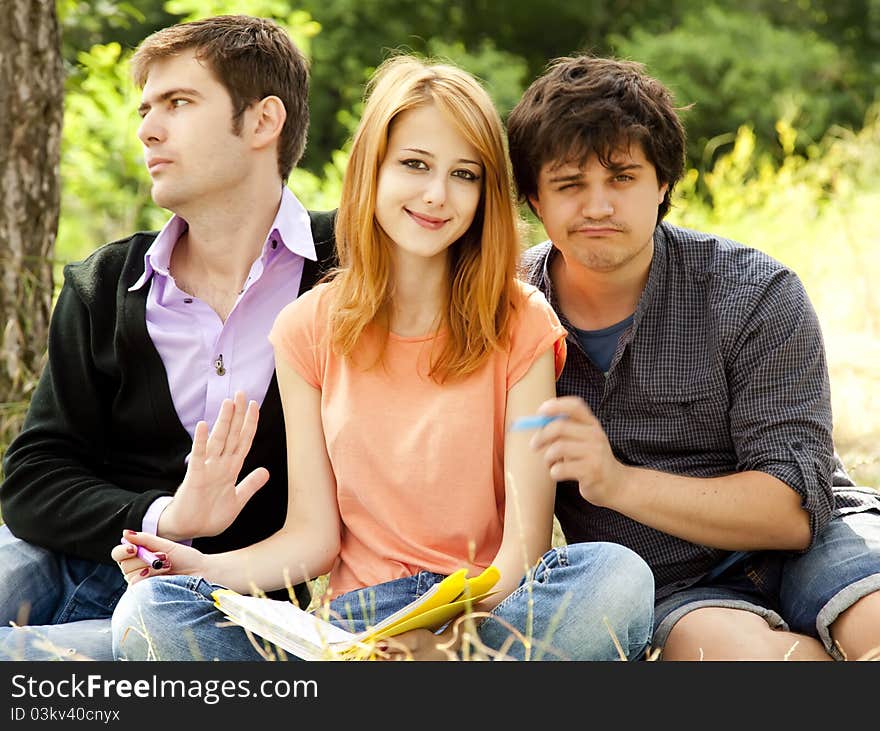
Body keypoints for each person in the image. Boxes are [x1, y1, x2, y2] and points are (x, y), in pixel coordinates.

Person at [109, 54, 655, 662]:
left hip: (480, 616)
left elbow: (522, 552)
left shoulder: (521, 321)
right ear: (373, 170)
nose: (436, 195)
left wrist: (439, 640)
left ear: (484, 194)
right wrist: (200, 564)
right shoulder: (307, 327)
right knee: (146, 614)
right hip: (355, 629)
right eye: (415, 165)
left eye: (464, 174)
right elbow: (313, 540)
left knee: (616, 575)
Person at [508, 54, 880, 660]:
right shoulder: (506, 316)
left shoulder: (755, 293)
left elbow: (792, 514)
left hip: (823, 540)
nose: (598, 206)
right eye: (570, 184)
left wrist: (617, 483)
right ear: (534, 199)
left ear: (662, 184)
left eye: (622, 177)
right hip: (675, 584)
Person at [0, 15, 336, 661]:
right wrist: (168, 516)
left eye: (179, 103)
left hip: (207, 612)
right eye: (146, 108)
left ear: (264, 121)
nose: (147, 129)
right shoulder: (103, 284)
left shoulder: (348, 269)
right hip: (65, 561)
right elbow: (33, 479)